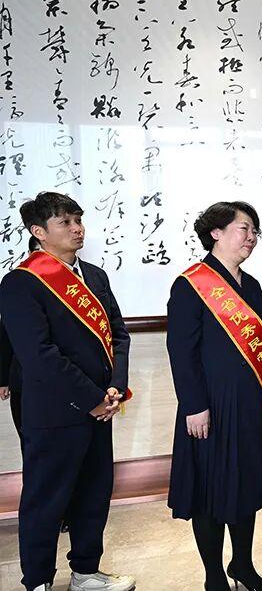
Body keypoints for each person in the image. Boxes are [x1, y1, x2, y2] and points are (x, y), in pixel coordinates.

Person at [0, 192, 134, 591]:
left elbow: (118, 334)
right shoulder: (20, 282)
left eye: (78, 220)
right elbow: (38, 355)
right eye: (65, 222)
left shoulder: (94, 275)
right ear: (39, 232)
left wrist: (115, 386)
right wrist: (91, 398)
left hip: (101, 405)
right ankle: (38, 581)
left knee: (95, 491)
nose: (77, 229)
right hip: (52, 410)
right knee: (47, 497)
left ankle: (86, 572)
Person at [166, 201, 262, 591]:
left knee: (246, 486)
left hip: (248, 404)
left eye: (254, 231)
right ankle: (213, 576)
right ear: (216, 232)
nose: (251, 237)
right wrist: (194, 405)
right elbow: (181, 352)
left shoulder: (253, 285)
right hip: (209, 406)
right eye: (243, 229)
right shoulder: (191, 284)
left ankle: (242, 565)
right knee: (210, 493)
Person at [0, 236, 40, 441]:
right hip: (23, 379)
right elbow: (5, 336)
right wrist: (3, 379)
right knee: (28, 438)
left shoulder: (74, 284)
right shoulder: (17, 283)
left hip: (63, 381)